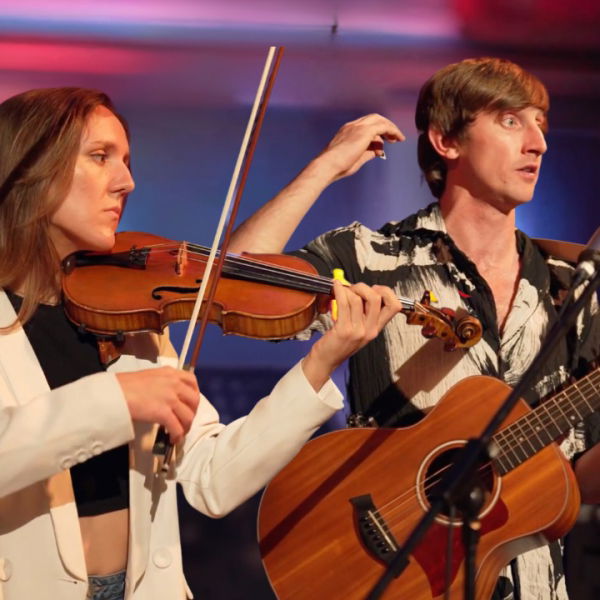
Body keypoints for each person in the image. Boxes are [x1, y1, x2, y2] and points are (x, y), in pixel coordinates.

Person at [0, 87, 405, 600]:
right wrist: (117, 401)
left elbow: (215, 479)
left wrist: (321, 363)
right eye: (100, 157)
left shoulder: (129, 317)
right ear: (29, 170)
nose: (126, 182)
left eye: (126, 161)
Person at [229, 57, 600, 599]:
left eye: (541, 122)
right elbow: (236, 280)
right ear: (447, 142)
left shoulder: (574, 286)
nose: (538, 142)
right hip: (387, 569)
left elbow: (579, 478)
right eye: (511, 120)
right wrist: (326, 167)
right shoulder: (369, 257)